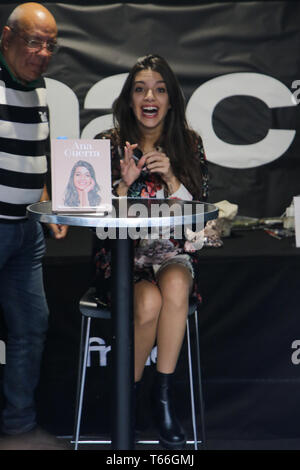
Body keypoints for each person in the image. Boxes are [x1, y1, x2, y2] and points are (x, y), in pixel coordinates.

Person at [94, 54, 208, 449]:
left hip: (170, 253)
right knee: (146, 304)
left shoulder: (190, 145)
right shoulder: (106, 146)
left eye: (160, 90)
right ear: (129, 99)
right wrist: (124, 187)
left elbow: (195, 221)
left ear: (171, 100)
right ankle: (128, 400)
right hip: (123, 258)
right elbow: (99, 223)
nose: (150, 97)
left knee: (175, 283)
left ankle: (160, 399)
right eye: (140, 88)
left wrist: (172, 177)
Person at [0, 3, 68, 449]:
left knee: (31, 328)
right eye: (33, 40)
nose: (42, 52)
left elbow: (38, 159)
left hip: (27, 234)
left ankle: (19, 429)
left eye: (50, 44)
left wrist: (47, 203)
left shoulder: (40, 90)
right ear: (6, 37)